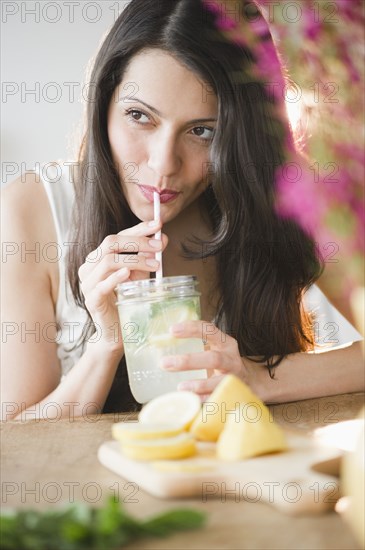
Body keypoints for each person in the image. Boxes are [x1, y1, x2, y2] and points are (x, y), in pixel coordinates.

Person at [1, 0, 363, 421]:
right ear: (104, 105)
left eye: (202, 131)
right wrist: (106, 344)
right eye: (140, 116)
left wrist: (259, 379)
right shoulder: (30, 208)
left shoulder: (288, 196)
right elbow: (14, 436)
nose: (163, 164)